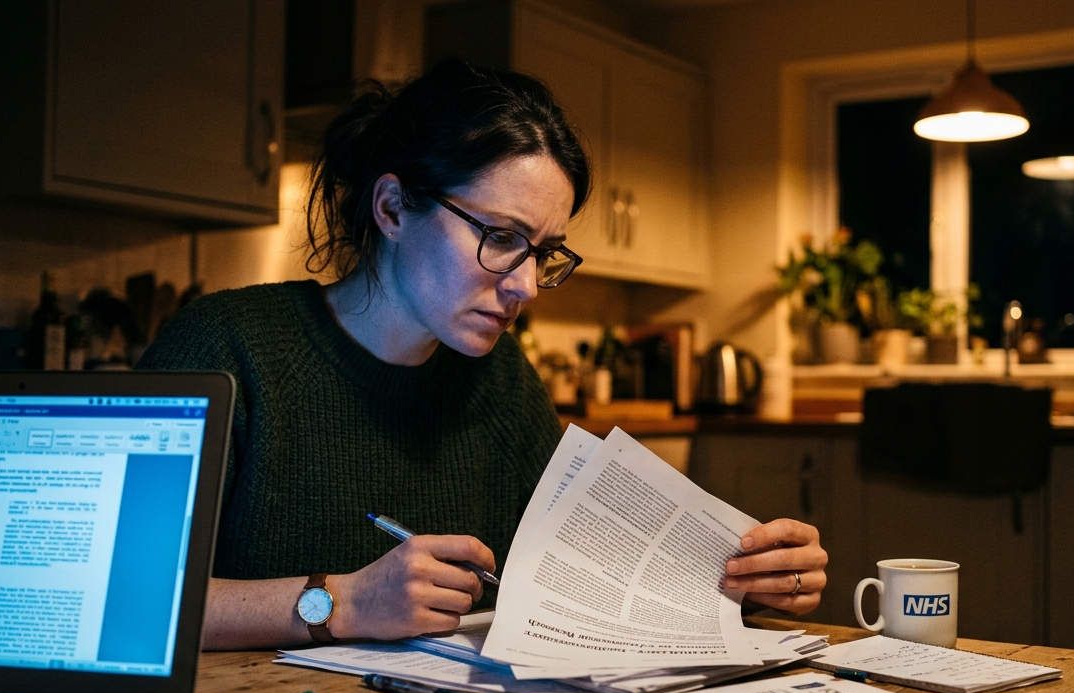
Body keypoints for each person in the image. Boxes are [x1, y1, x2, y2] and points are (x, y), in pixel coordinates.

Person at [140, 58, 828, 650]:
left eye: (544, 252)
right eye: (501, 236)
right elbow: (112, 598)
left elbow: (576, 580)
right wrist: (342, 603)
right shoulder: (228, 349)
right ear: (392, 207)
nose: (525, 285)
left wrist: (741, 582)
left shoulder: (498, 380)